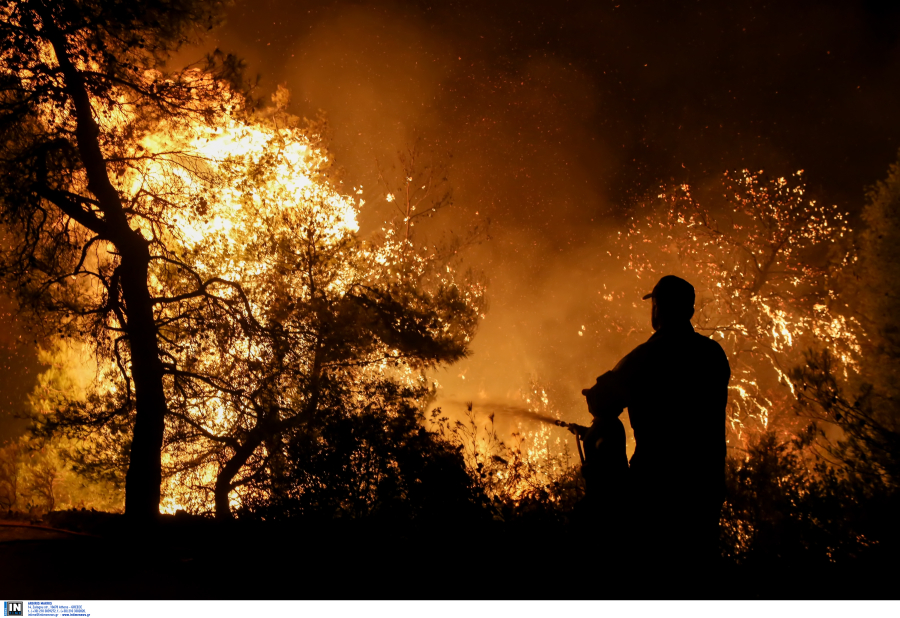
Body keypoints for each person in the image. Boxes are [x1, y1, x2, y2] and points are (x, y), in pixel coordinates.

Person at [581, 275, 731, 567]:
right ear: (690, 311)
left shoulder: (649, 355)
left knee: (606, 428)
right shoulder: (713, 354)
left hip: (656, 485)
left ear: (657, 308)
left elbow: (602, 401)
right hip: (705, 485)